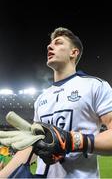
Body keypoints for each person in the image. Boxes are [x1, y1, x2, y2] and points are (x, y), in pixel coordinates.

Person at [0, 26, 112, 179]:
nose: (50, 46)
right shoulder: (41, 99)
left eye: (58, 43)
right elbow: (34, 146)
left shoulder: (95, 86)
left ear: (74, 52)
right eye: (50, 44)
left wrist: (74, 141)